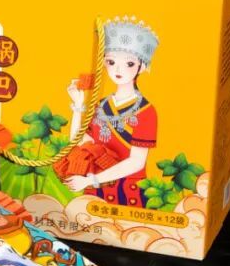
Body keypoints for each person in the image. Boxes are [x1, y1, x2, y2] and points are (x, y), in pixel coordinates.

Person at [63, 16, 159, 208]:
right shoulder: (101, 104)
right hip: (95, 187)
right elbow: (80, 142)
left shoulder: (146, 112)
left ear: (142, 66)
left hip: (127, 189)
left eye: (129, 64)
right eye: (111, 62)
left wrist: (92, 180)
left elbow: (136, 162)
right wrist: (78, 105)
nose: (118, 69)